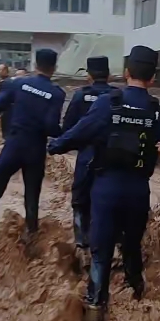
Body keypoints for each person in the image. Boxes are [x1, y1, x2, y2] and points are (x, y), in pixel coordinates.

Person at [49, 45, 160, 321]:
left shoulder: (107, 103)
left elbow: (78, 133)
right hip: (138, 192)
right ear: (153, 78)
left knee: (101, 254)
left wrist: (54, 145)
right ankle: (139, 297)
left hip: (105, 190)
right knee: (131, 247)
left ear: (127, 72)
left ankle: (94, 319)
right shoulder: (158, 112)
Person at [0, 48, 65, 244]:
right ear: (54, 68)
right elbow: (51, 126)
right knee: (32, 192)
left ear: (35, 65)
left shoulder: (20, 84)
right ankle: (30, 234)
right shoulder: (56, 94)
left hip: (14, 144)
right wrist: (63, 134)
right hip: (36, 148)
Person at [60, 56, 115, 264]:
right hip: (112, 158)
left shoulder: (80, 96)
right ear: (109, 75)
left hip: (86, 156)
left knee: (80, 200)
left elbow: (68, 129)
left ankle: (81, 245)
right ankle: (109, 246)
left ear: (89, 76)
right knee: (106, 201)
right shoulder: (117, 96)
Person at [0, 63, 12, 140]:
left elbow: (4, 96)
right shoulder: (5, 81)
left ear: (5, 71)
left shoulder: (6, 82)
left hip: (7, 109)